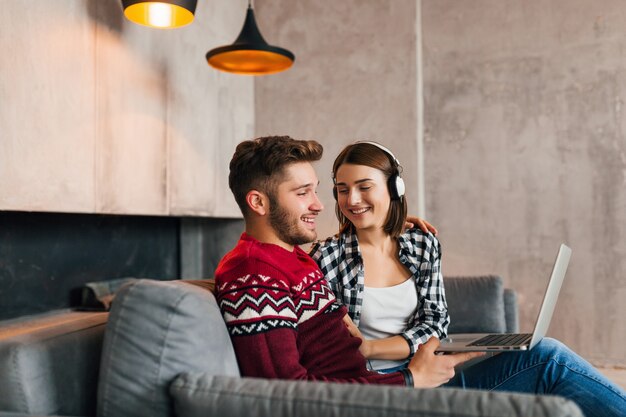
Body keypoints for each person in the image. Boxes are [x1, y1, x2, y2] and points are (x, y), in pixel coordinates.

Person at [309, 140, 626, 417]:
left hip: (432, 375)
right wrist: (380, 356)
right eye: (342, 189)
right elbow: (334, 348)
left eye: (364, 187)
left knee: (546, 355)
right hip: (378, 389)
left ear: (395, 189)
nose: (352, 199)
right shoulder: (327, 258)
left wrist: (374, 348)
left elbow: (435, 322)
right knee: (550, 362)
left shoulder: (421, 244)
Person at [215, 135, 482, 388]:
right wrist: (409, 380)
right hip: (383, 393)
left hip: (384, 385)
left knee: (524, 357)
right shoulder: (254, 275)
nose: (319, 205)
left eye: (316, 191)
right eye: (302, 193)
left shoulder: (294, 259)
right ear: (258, 202)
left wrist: (388, 221)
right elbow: (285, 392)